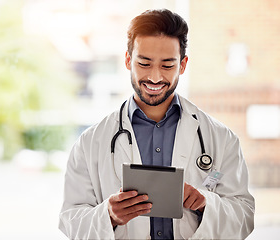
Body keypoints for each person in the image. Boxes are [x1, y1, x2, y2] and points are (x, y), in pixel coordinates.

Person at [59, 9, 255, 239]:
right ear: (127, 60)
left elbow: (244, 216)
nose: (154, 77)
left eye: (167, 65)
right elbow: (70, 220)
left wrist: (206, 204)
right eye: (144, 63)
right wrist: (108, 215)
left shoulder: (221, 138)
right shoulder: (90, 142)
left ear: (182, 65)